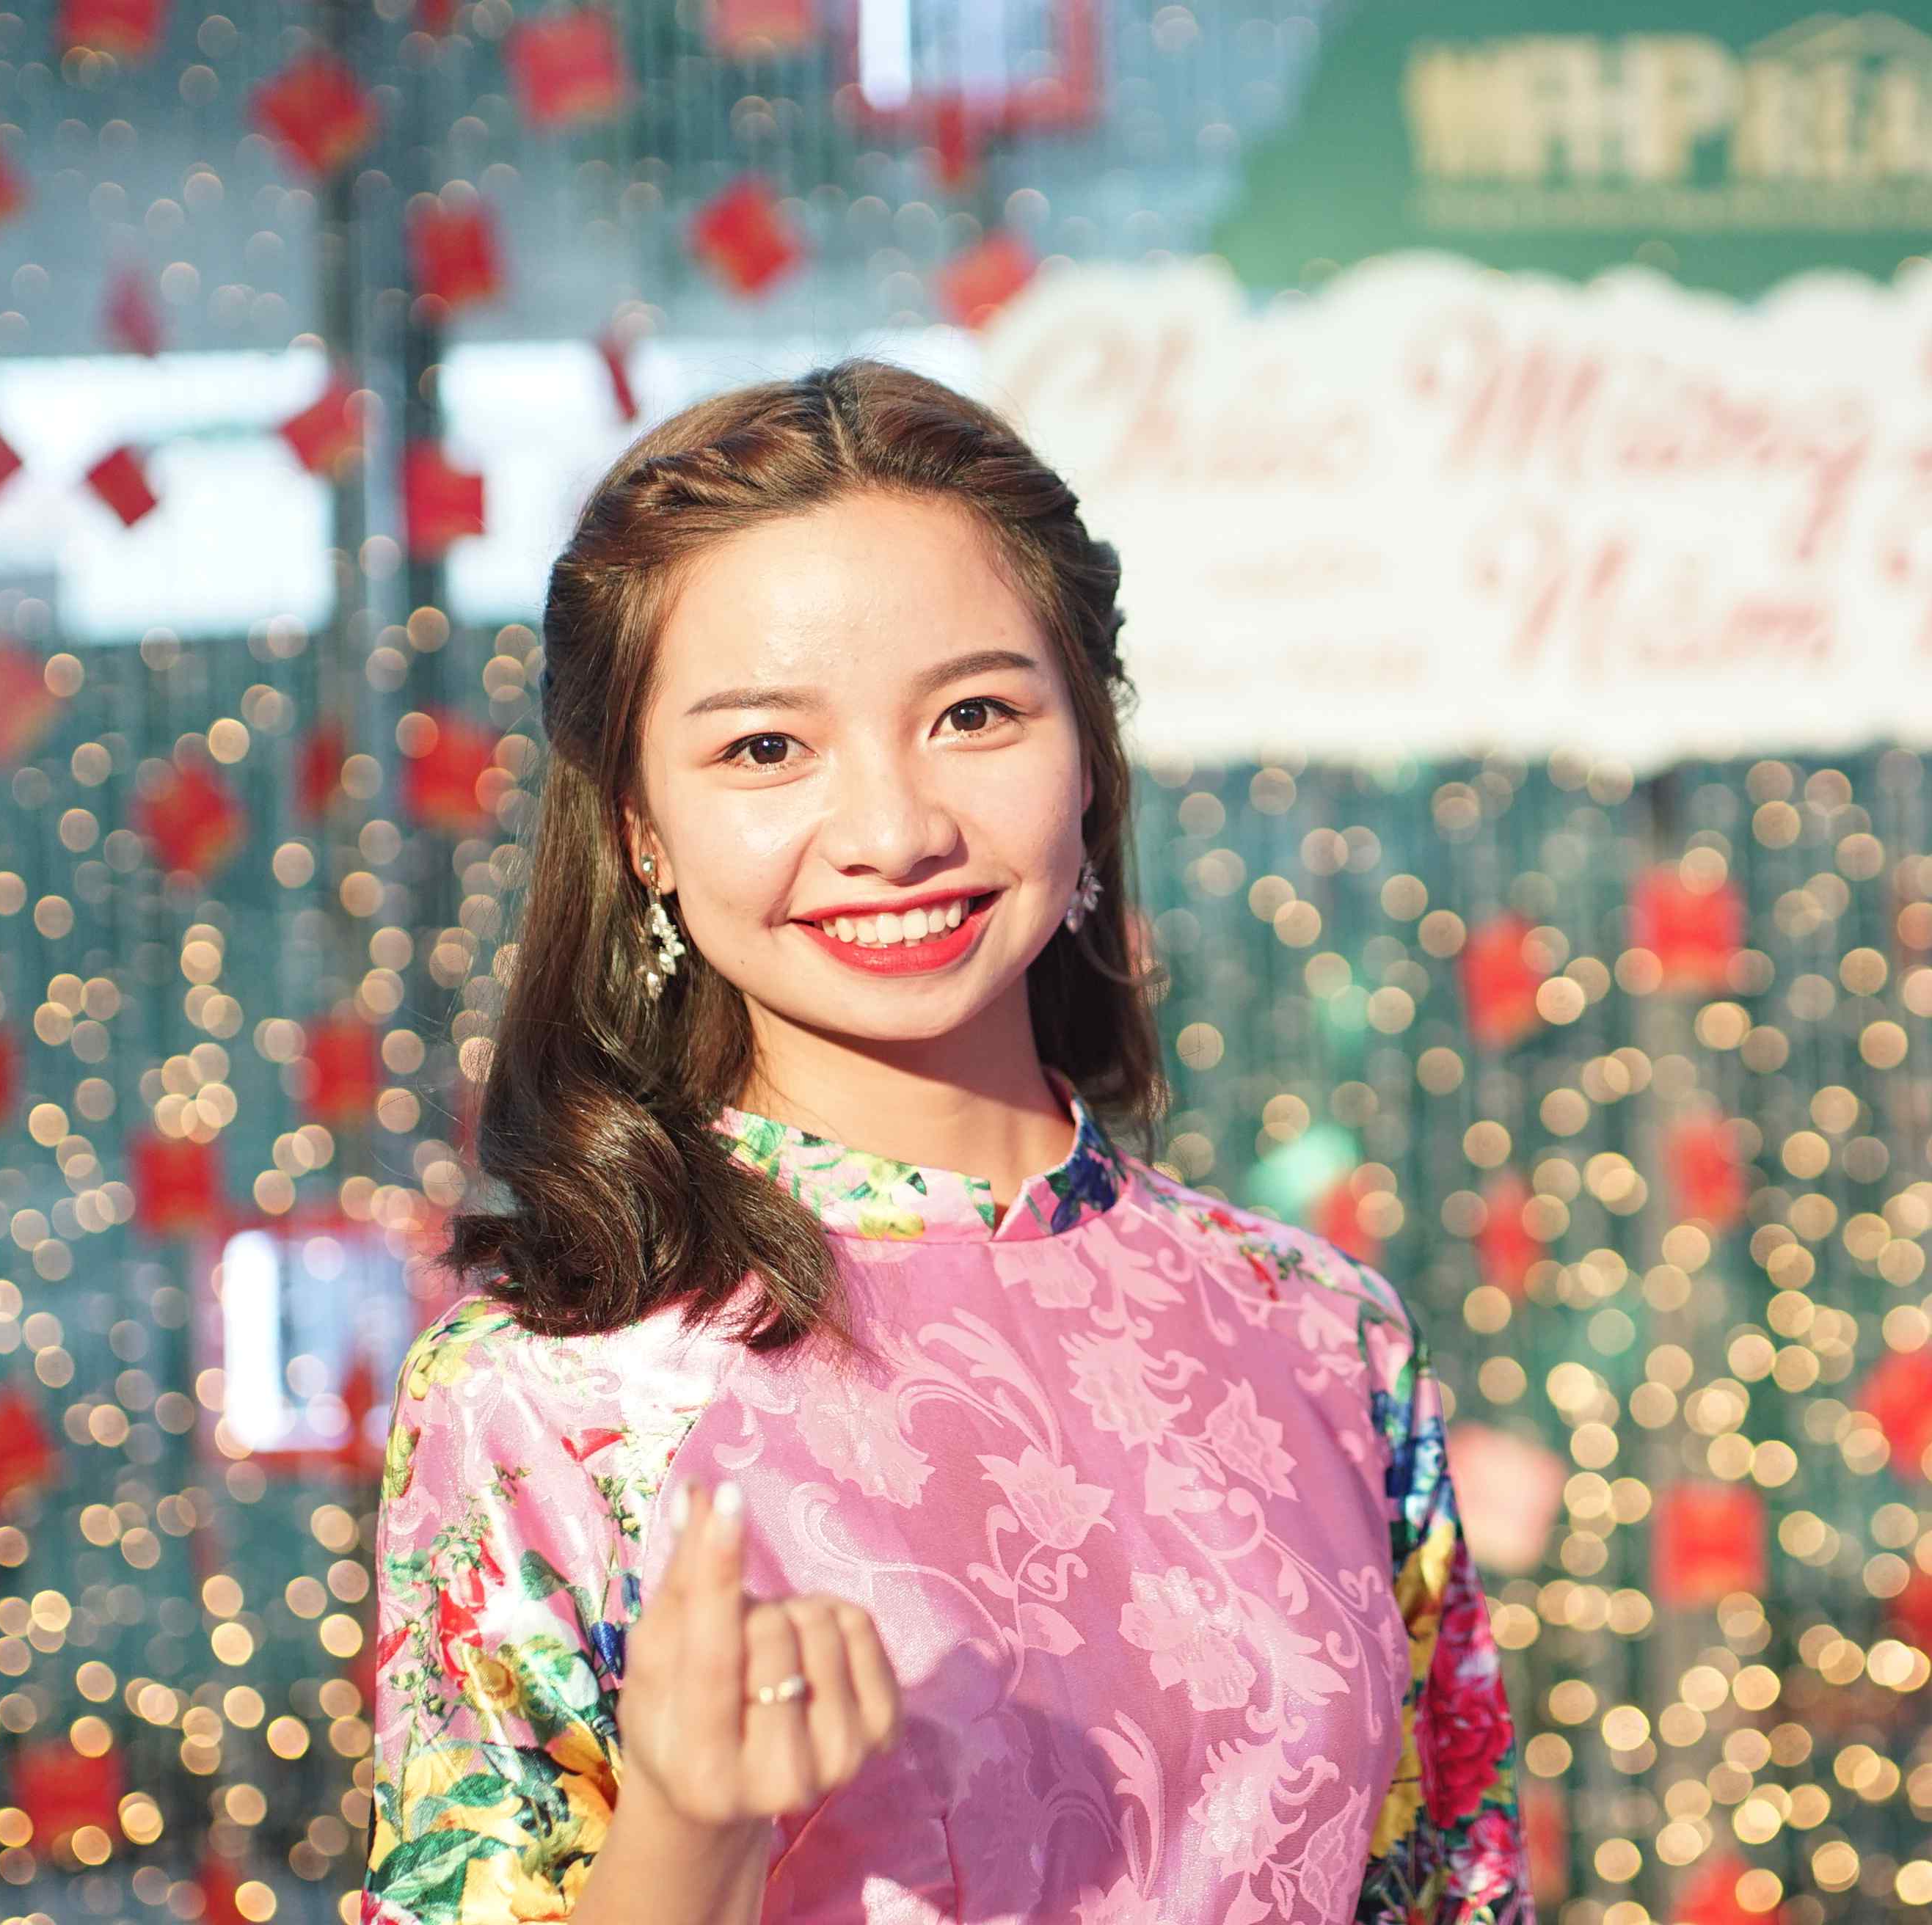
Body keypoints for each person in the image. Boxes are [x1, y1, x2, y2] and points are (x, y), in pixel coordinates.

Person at [359, 359, 1531, 1924]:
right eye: (765, 749)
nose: (896, 831)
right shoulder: (547, 1393)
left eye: (974, 714)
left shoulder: (1325, 1333)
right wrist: (694, 1832)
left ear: (1090, 755)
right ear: (640, 828)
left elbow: (1452, 1886)